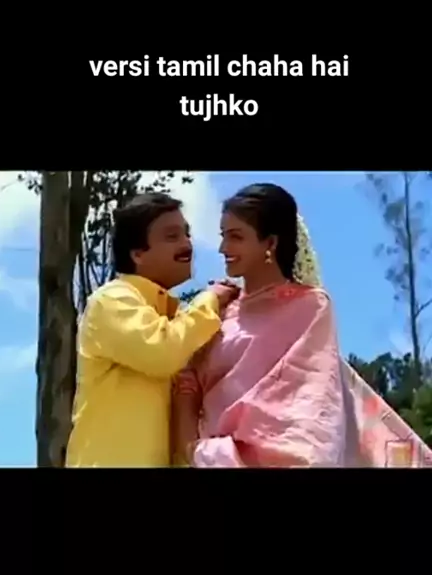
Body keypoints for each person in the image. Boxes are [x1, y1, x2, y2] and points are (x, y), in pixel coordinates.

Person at [171, 183, 432, 468]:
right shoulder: (217, 311)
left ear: (270, 243)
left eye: (236, 237)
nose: (223, 248)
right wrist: (193, 448)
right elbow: (187, 381)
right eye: (223, 236)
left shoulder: (309, 307)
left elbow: (309, 399)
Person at [65, 192, 239, 467]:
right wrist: (211, 299)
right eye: (172, 236)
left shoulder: (175, 318)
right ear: (137, 254)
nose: (187, 244)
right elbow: (162, 351)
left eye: (187, 234)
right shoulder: (112, 300)